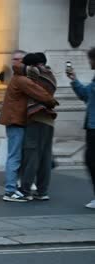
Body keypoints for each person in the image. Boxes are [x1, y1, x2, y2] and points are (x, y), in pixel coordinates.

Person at [0, 50, 59, 202]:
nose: (17, 62)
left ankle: (21, 189)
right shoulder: (23, 79)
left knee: (26, 156)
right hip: (17, 121)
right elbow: (43, 95)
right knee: (18, 156)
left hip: (24, 120)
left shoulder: (27, 77)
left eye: (20, 60)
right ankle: (11, 190)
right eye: (15, 59)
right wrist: (52, 102)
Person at [15, 52, 57, 201]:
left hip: (37, 118)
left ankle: (25, 191)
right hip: (48, 119)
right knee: (45, 156)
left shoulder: (37, 75)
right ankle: (42, 191)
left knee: (31, 154)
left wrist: (24, 65)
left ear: (34, 65)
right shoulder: (50, 74)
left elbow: (16, 67)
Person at [66, 46, 95, 209]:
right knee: (91, 160)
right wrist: (74, 80)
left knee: (91, 160)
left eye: (91, 59)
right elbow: (85, 95)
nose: (89, 62)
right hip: (92, 126)